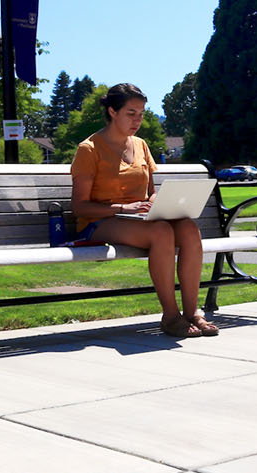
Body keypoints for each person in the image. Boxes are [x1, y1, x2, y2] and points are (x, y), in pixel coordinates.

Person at [69, 83, 217, 338]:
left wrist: (159, 203)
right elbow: (79, 206)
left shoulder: (141, 145)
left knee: (189, 229)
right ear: (113, 112)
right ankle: (170, 316)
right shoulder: (89, 149)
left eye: (141, 113)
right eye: (131, 113)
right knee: (161, 232)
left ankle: (192, 312)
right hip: (99, 221)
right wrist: (122, 207)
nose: (137, 120)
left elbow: (150, 191)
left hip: (139, 218)